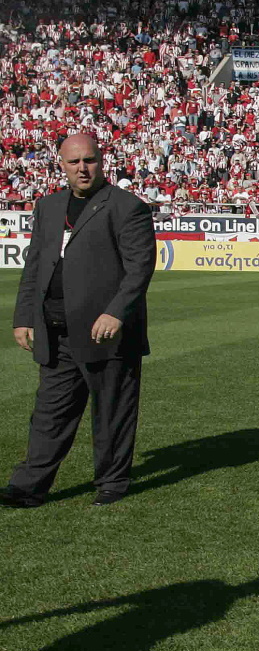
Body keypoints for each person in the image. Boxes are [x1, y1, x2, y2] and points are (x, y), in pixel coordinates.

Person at [3, 134, 156, 508]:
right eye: (74, 162)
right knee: (49, 415)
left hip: (106, 333)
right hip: (56, 331)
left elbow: (139, 267)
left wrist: (115, 311)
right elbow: (35, 265)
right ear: (62, 165)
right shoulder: (49, 206)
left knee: (112, 412)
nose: (83, 168)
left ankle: (112, 482)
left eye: (89, 160)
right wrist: (24, 316)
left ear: (101, 161)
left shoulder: (127, 207)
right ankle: (28, 487)